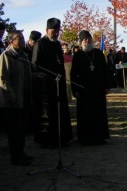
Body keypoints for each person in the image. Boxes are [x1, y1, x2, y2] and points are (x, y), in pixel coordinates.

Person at [31, 17, 73, 148]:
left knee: (60, 111)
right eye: (53, 31)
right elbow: (35, 64)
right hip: (46, 86)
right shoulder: (41, 43)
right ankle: (48, 140)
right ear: (46, 30)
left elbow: (59, 63)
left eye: (57, 31)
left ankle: (62, 137)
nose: (55, 33)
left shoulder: (56, 44)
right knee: (49, 113)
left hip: (59, 83)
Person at [70, 30, 110, 145]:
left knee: (99, 113)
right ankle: (85, 138)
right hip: (84, 90)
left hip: (98, 89)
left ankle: (100, 137)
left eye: (89, 39)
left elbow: (105, 70)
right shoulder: (78, 55)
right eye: (85, 39)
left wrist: (107, 86)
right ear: (81, 42)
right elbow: (73, 74)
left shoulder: (98, 53)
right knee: (85, 115)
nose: (87, 41)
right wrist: (75, 90)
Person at [0, 30, 33, 165]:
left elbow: (25, 75)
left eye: (23, 38)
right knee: (14, 130)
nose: (23, 40)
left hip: (24, 97)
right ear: (11, 41)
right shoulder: (6, 56)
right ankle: (16, 156)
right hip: (13, 100)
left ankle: (22, 152)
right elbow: (3, 78)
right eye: (19, 38)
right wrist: (10, 95)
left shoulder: (24, 55)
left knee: (22, 128)